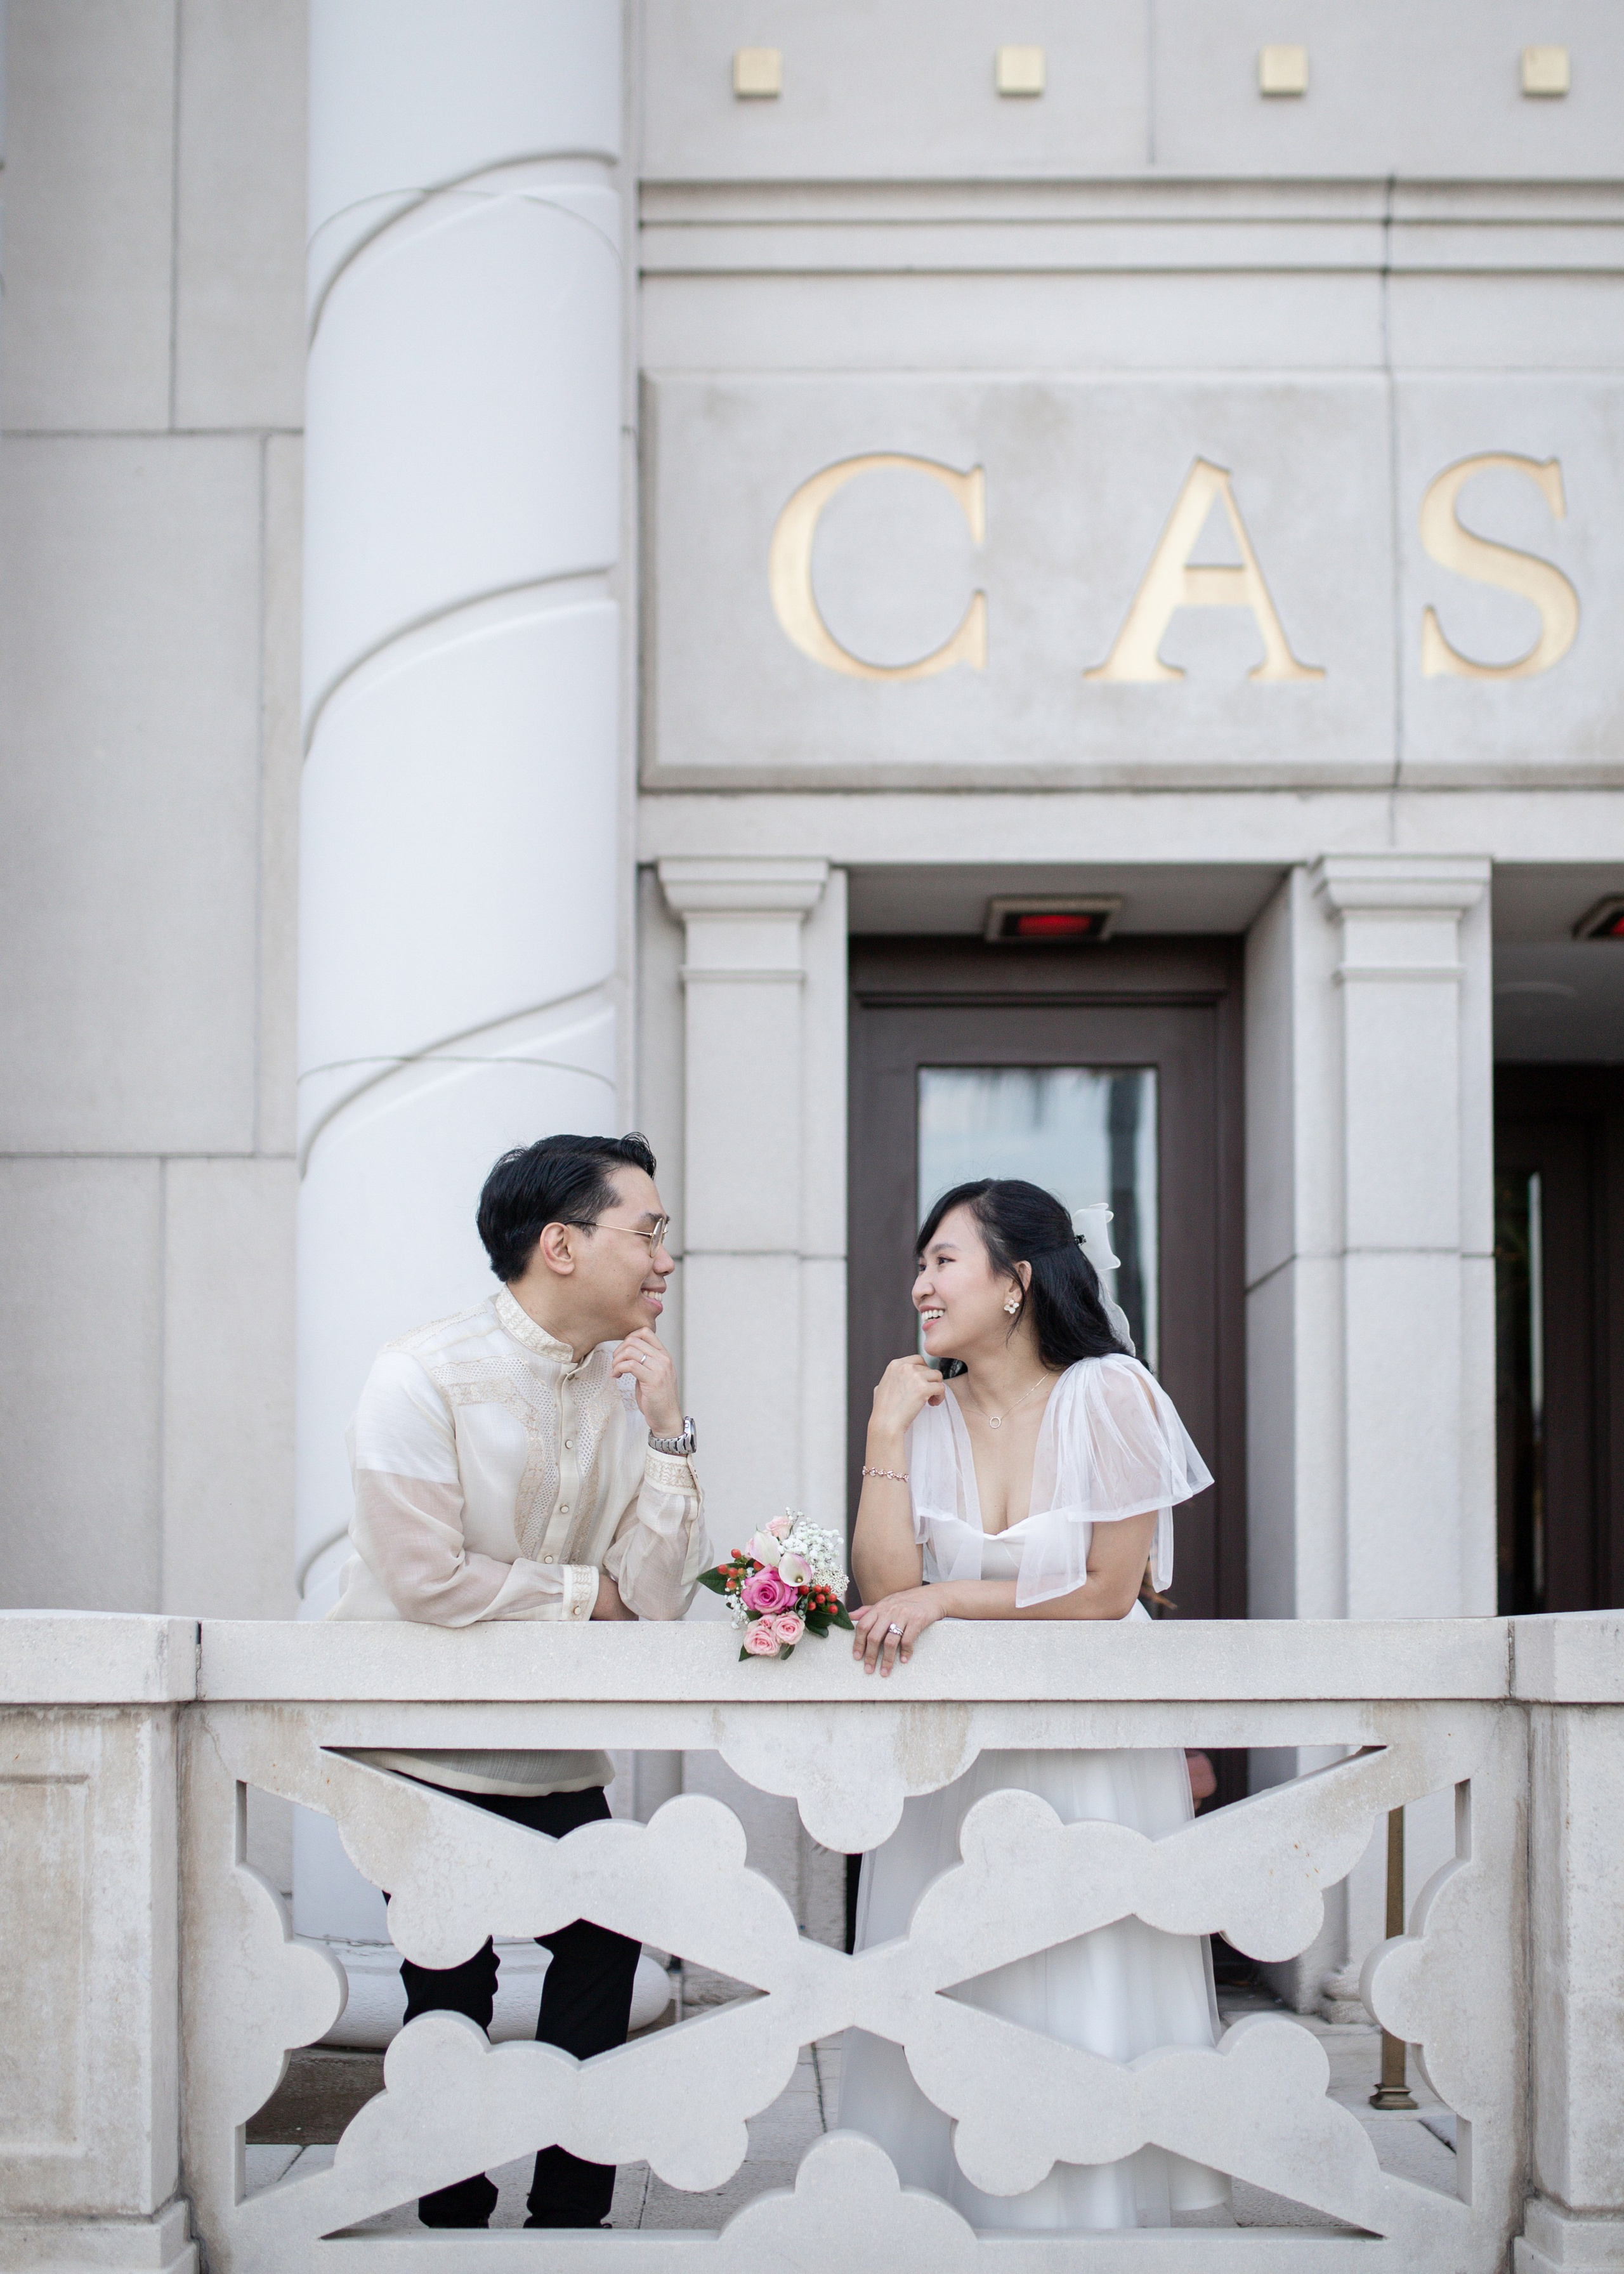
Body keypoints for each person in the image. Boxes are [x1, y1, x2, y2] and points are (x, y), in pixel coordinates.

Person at [328, 1131, 706, 2231]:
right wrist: (590, 1596)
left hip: (553, 1746)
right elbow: (424, 1579)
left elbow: (660, 1595)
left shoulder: (628, 1384)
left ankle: (570, 2220)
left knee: (602, 1946)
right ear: (560, 1244)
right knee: (449, 1986)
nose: (664, 1259)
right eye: (648, 1231)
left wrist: (671, 1433)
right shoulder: (421, 1372)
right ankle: (451, 2225)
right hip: (425, 1748)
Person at [838, 1176, 1226, 2230]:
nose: (921, 1284)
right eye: (919, 1265)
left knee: (1081, 1948)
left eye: (944, 1261)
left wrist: (949, 1596)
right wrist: (882, 1433)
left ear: (1014, 1283)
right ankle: (944, 2199)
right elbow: (881, 1588)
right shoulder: (922, 1409)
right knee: (953, 1954)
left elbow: (1106, 1592)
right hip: (960, 1748)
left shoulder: (1112, 1395)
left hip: (1088, 1737)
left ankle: (1094, 2199)